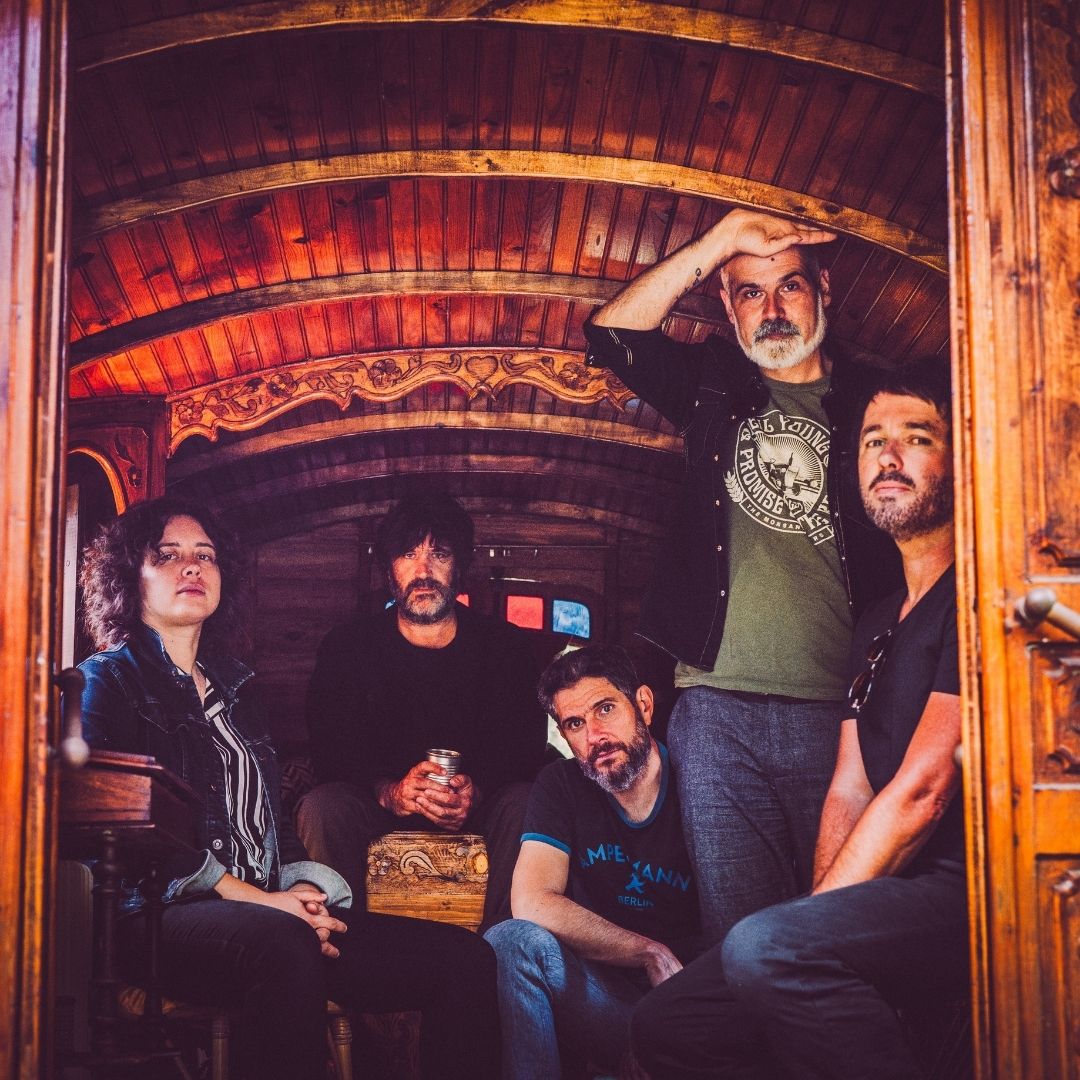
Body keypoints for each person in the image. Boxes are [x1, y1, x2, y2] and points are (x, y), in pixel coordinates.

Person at [78, 496, 500, 1080]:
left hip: (269, 912)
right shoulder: (106, 680)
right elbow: (118, 831)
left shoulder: (238, 691)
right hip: (155, 918)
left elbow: (271, 821)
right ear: (130, 576)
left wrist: (302, 891)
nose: (193, 566)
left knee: (465, 959)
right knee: (284, 943)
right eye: (168, 555)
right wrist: (264, 904)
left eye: (206, 555)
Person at [632, 360, 967, 1079]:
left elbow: (924, 791)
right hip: (886, 893)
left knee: (765, 947)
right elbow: (849, 787)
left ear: (963, 458)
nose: (888, 455)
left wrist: (807, 927)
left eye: (917, 437)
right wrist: (816, 915)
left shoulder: (975, 597)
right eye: (873, 440)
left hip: (961, 886)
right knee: (668, 1019)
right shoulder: (876, 621)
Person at [583, 207, 903, 943]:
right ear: (727, 309)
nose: (773, 308)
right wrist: (724, 237)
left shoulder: (878, 402)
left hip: (842, 708)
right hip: (714, 711)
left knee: (842, 928)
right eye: (750, 292)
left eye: (789, 286)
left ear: (823, 291)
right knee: (741, 934)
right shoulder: (713, 384)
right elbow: (611, 335)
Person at [297, 492, 548, 928]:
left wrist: (477, 791)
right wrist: (389, 791)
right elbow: (329, 747)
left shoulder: (506, 648)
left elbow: (526, 747)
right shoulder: (348, 647)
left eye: (440, 554)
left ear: (460, 566)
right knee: (322, 807)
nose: (424, 571)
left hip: (477, 811)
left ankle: (500, 947)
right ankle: (348, 946)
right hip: (378, 807)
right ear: (389, 569)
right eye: (409, 554)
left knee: (527, 803)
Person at [485, 644, 701, 1079]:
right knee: (511, 940)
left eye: (605, 709)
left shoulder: (697, 778)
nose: (594, 736)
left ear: (643, 705)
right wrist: (648, 952)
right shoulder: (561, 784)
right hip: (608, 1001)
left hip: (695, 1012)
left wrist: (668, 1017)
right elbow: (531, 901)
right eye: (575, 723)